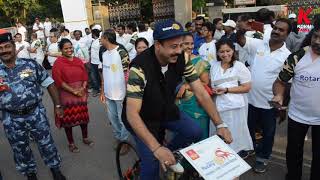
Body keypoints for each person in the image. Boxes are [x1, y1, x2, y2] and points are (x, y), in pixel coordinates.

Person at [123, 19, 232, 180]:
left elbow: (201, 92)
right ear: (158, 45)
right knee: (151, 163)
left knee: (195, 131)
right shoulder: (139, 68)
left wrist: (220, 124)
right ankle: (155, 156)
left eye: (181, 45)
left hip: (165, 109)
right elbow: (132, 113)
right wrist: (156, 149)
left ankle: (169, 153)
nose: (179, 51)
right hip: (143, 117)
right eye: (173, 47)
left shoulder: (183, 58)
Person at [0, 29, 66, 180]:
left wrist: (57, 106)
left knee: (46, 142)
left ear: (13, 46)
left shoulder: (29, 64)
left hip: (36, 113)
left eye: (7, 46)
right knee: (20, 148)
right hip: (11, 118)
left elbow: (49, 83)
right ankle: (30, 173)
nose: (4, 51)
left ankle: (55, 168)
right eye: (0, 48)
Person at [236, 18, 292, 173]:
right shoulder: (259, 44)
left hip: (270, 103)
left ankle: (263, 158)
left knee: (268, 133)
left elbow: (287, 84)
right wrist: (242, 29)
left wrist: (282, 106)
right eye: (276, 28)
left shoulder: (287, 56)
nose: (276, 31)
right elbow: (240, 40)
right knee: (248, 128)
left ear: (287, 35)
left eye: (281, 30)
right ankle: (250, 149)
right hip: (250, 100)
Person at [272, 27, 320, 180]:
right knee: (293, 154)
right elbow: (280, 82)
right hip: (297, 116)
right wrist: (279, 95)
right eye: (315, 36)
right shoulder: (297, 57)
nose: (317, 42)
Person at [209, 39, 253, 157]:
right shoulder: (214, 66)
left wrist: (227, 90)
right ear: (217, 53)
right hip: (218, 107)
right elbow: (211, 85)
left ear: (233, 51)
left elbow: (247, 87)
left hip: (235, 109)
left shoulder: (239, 66)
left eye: (228, 51)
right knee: (218, 136)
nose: (225, 54)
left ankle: (234, 161)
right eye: (221, 52)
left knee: (234, 137)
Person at [52, 38, 93, 153]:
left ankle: (85, 138)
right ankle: (71, 143)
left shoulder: (78, 60)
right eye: (66, 48)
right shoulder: (58, 63)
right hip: (67, 96)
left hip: (81, 93)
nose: (69, 50)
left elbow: (85, 75)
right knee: (68, 121)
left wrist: (83, 88)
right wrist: (74, 91)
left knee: (83, 118)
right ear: (61, 50)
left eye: (70, 47)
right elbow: (58, 81)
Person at [176, 33, 211, 140]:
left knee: (199, 136)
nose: (190, 47)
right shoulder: (174, 61)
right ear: (179, 44)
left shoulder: (200, 62)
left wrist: (186, 86)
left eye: (192, 44)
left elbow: (205, 83)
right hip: (178, 104)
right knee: (182, 138)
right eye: (186, 43)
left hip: (195, 104)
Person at [99, 30, 130, 147]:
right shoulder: (104, 54)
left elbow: (128, 74)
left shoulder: (121, 52)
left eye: (101, 37)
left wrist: (128, 93)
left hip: (121, 94)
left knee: (123, 120)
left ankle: (125, 142)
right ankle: (119, 138)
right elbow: (104, 74)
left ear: (106, 38)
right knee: (113, 119)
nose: (100, 40)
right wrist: (102, 91)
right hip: (108, 94)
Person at [89, 29, 102, 97]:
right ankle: (97, 89)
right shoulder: (93, 41)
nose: (91, 34)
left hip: (98, 62)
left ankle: (100, 89)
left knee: (99, 77)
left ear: (94, 34)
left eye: (92, 33)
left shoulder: (100, 41)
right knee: (94, 77)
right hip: (93, 62)